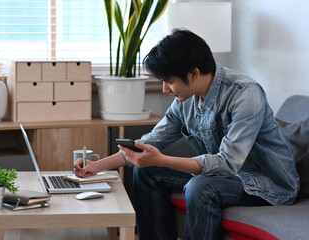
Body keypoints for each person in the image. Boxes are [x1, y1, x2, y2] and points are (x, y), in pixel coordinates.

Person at [74, 29, 299, 240]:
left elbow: (227, 164)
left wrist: (162, 159)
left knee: (200, 186)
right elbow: (150, 142)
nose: (165, 89)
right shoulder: (186, 100)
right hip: (227, 177)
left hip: (268, 185)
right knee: (147, 171)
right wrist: (95, 167)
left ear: (193, 74)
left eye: (169, 81)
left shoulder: (245, 94)